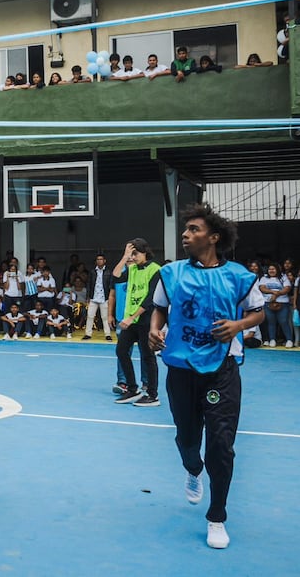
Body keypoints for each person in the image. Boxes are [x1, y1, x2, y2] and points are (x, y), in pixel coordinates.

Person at [148, 203, 264, 550]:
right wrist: (155, 331)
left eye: (194, 230)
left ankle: (217, 516)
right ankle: (192, 468)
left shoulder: (240, 276)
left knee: (221, 445)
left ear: (213, 237)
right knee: (187, 438)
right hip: (181, 369)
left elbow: (257, 313)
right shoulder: (172, 273)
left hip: (222, 370)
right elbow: (159, 309)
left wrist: (237, 326)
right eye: (185, 230)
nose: (186, 235)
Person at [112, 238, 163, 406]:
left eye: (136, 253)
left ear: (145, 253)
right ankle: (132, 388)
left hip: (146, 319)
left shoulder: (156, 269)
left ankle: (152, 394)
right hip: (131, 320)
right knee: (121, 351)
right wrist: (125, 257)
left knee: (147, 356)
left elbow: (150, 299)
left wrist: (131, 318)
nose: (133, 257)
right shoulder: (132, 268)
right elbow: (116, 276)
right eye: (131, 253)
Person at [83, 254, 114, 341]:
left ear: (104, 261)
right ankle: (88, 334)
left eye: (101, 259)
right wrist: (88, 296)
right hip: (94, 297)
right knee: (90, 316)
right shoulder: (92, 272)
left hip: (104, 297)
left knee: (105, 317)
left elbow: (111, 285)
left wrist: (110, 297)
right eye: (97, 259)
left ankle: (107, 334)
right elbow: (89, 284)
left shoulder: (108, 272)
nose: (99, 261)